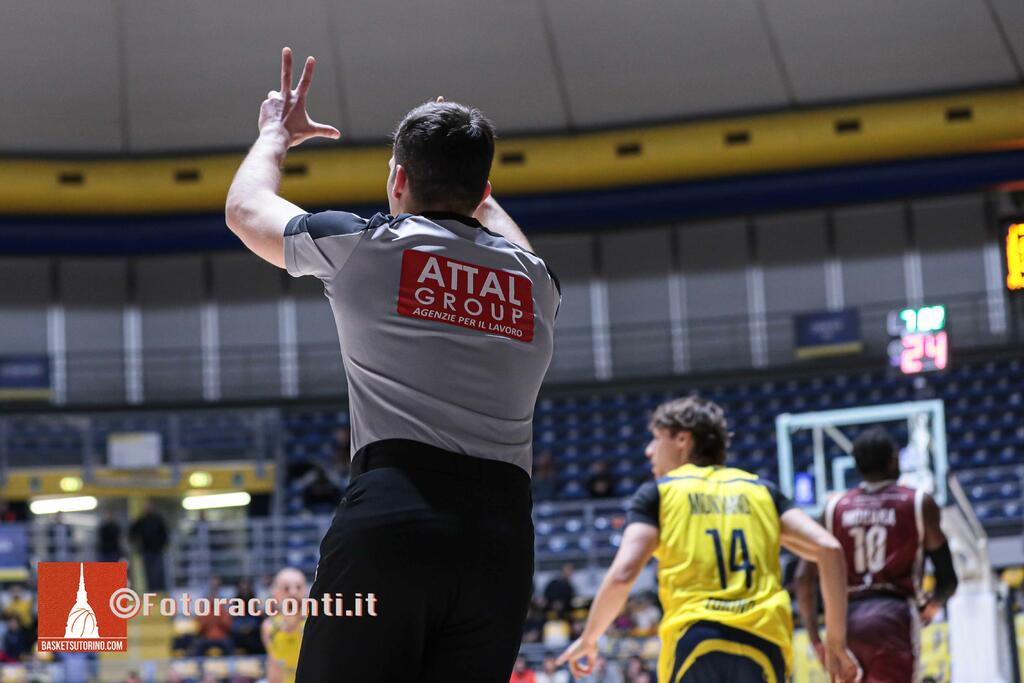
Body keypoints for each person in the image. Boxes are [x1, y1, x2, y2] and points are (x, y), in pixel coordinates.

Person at [225, 48, 559, 682]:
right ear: (485, 191)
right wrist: (467, 173)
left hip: (394, 515)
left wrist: (275, 132)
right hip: (502, 542)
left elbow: (245, 210)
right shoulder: (536, 283)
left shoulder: (364, 246)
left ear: (398, 180)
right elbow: (507, 236)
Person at [558, 396, 860, 683]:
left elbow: (624, 574)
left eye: (656, 438)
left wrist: (589, 638)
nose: (649, 451)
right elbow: (830, 549)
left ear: (682, 439)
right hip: (763, 640)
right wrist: (836, 642)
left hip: (695, 637)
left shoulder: (660, 493)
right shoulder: (762, 491)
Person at [795, 426, 958, 683]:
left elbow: (803, 579)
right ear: (893, 460)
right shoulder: (917, 502)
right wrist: (934, 604)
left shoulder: (834, 507)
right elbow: (947, 577)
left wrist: (815, 638)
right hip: (894, 615)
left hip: (844, 618)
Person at [261, 567, 308, 683]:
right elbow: (274, 668)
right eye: (286, 588)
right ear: (275, 593)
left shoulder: (316, 623)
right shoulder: (269, 627)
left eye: (298, 587)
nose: (293, 592)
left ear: (306, 591)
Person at [129, 500, 168, 592]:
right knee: (148, 572)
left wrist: (163, 545)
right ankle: (151, 590)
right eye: (147, 507)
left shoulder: (158, 520)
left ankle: (159, 590)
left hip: (157, 550)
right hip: (146, 550)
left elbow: (164, 534)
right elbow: (132, 532)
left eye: (150, 506)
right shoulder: (141, 520)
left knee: (158, 571)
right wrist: (136, 545)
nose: (149, 508)